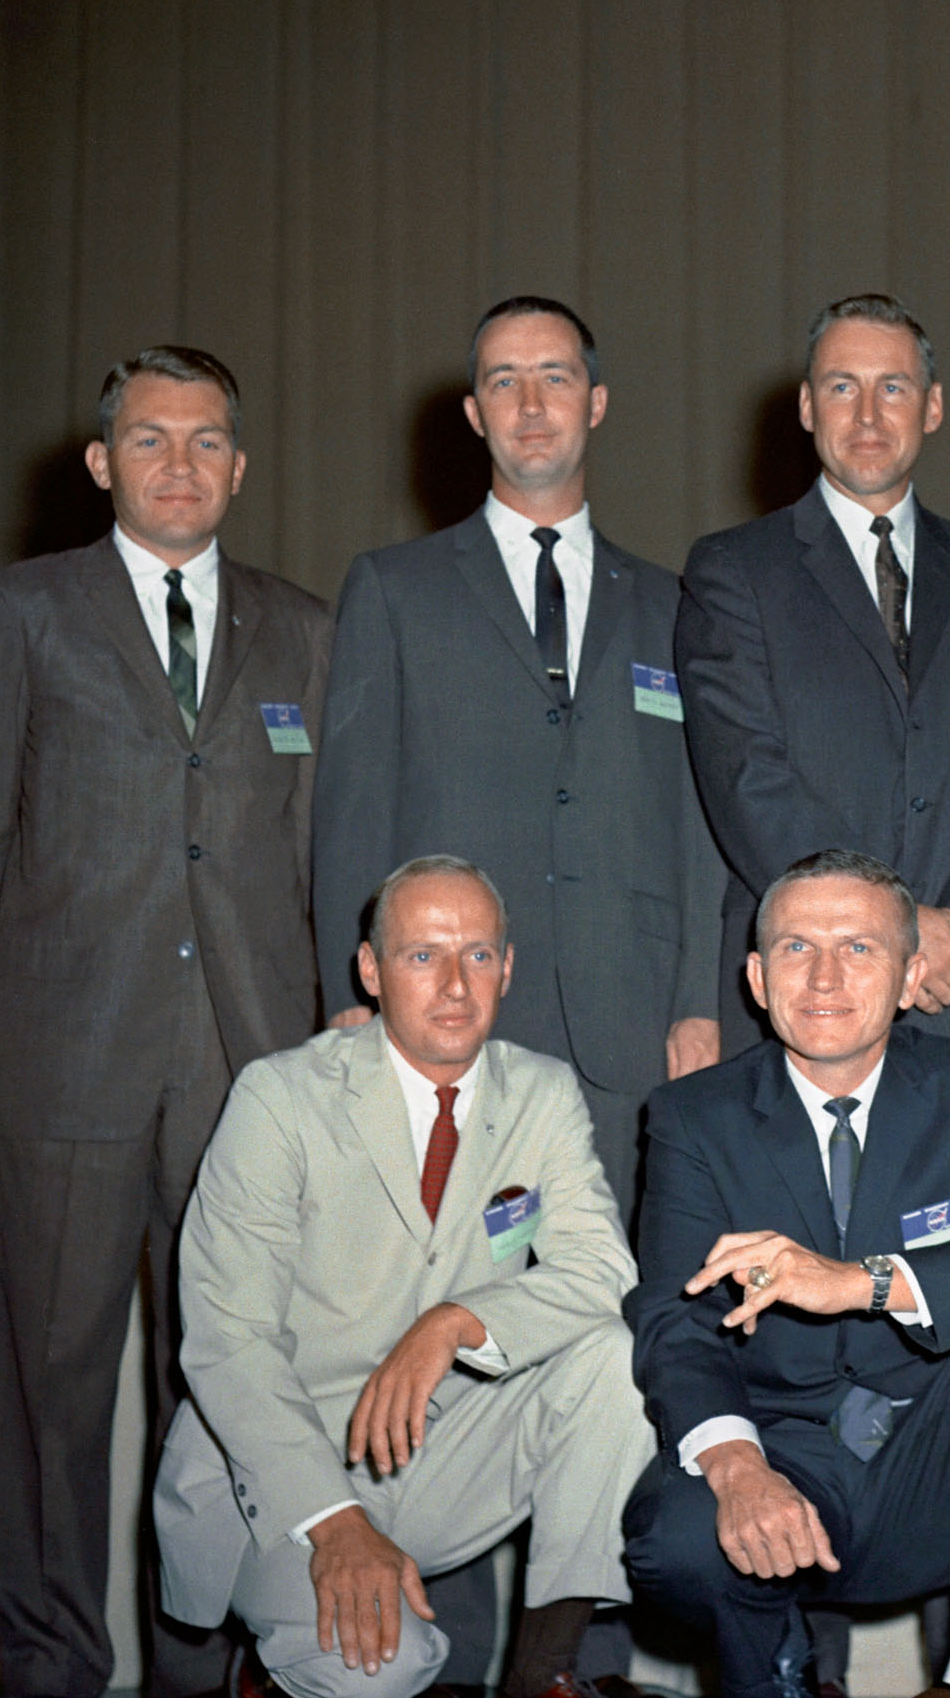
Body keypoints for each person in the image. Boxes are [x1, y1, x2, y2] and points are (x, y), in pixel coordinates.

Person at [0, 344, 330, 1698]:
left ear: (241, 465)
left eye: (207, 440)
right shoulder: (23, 612)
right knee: (53, 1375)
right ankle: (49, 1657)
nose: (180, 464)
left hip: (246, 1067)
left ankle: (199, 1664)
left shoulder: (302, 629)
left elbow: (312, 852)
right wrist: (53, 984)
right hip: (70, 1054)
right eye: (150, 439)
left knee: (223, 1376)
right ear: (101, 463)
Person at [157, 856, 658, 1698]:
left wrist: (455, 1322)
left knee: (615, 1358)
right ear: (370, 970)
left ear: (508, 967)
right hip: (279, 1482)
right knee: (383, 1678)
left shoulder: (540, 1092)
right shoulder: (280, 1097)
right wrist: (335, 1521)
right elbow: (226, 1338)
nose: (456, 985)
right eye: (423, 956)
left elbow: (601, 1271)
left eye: (478, 955)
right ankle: (272, 1661)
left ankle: (540, 1675)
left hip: (438, 1458)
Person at [621, 849, 950, 1698]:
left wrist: (863, 1283)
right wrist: (736, 1468)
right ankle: (768, 1685)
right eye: (797, 948)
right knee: (677, 1542)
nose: (825, 977)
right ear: (757, 978)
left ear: (912, 975)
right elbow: (675, 1319)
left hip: (944, 1456)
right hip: (788, 1453)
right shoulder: (694, 1117)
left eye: (859, 948)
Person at [311, 295, 726, 1216]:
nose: (531, 405)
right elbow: (352, 811)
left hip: (631, 1026)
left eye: (555, 378)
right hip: (449, 1018)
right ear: (474, 413)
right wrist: (352, 995)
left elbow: (701, 826)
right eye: (505, 382)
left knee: (617, 1282)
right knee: (459, 1280)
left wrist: (698, 1002)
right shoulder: (393, 589)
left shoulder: (673, 604)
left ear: (597, 402)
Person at [677, 296, 950, 1094]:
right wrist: (893, 929)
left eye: (892, 388)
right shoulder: (735, 572)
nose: (867, 414)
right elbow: (748, 779)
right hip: (806, 997)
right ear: (805, 406)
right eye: (841, 387)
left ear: (932, 407)